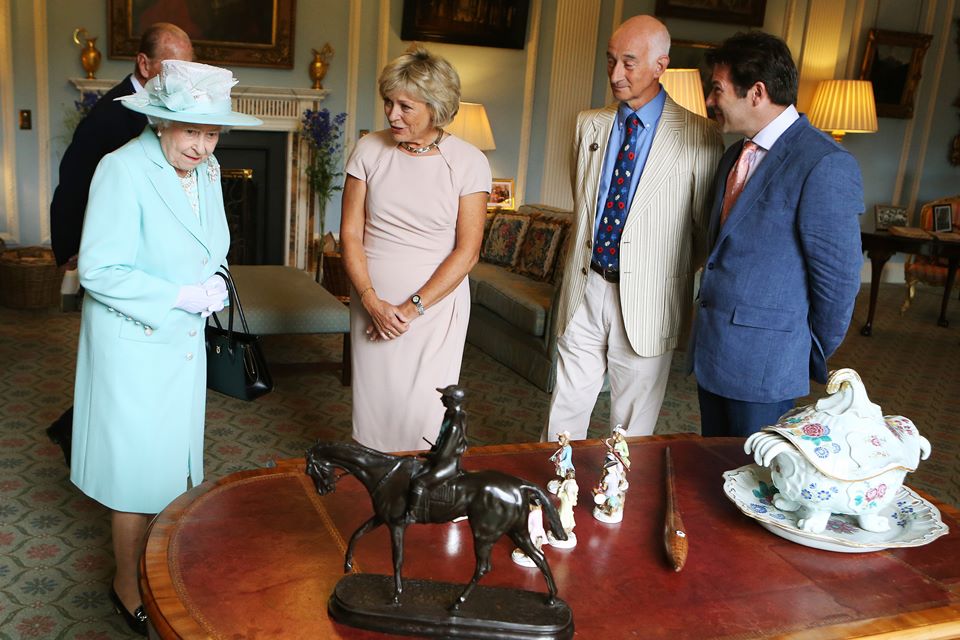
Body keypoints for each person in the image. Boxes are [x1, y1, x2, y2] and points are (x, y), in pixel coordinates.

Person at [71, 60, 261, 636]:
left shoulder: (205, 169)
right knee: (134, 474)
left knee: (172, 466)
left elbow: (216, 241)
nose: (202, 146)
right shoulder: (121, 170)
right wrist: (178, 294)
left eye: (212, 133)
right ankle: (126, 584)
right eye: (191, 132)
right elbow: (97, 270)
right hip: (135, 343)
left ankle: (156, 570)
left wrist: (215, 280)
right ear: (159, 121)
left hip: (181, 343)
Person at [544, 15, 723, 443]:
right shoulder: (589, 124)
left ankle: (614, 501)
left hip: (648, 298)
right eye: (610, 61)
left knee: (630, 425)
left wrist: (653, 268)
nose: (615, 74)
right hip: (585, 288)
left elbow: (700, 233)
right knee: (563, 410)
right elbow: (585, 206)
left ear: (661, 65)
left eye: (629, 62)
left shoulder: (699, 136)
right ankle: (550, 495)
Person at [689, 32, 864, 438]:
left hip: (767, 367)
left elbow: (838, 283)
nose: (710, 101)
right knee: (712, 468)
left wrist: (797, 346)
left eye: (717, 89)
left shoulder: (824, 163)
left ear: (756, 92)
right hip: (713, 354)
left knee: (758, 489)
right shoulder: (734, 154)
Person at [46, 23, 194, 466]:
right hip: (112, 254)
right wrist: (71, 247)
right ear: (144, 64)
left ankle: (88, 435)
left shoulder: (167, 105)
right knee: (115, 359)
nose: (181, 77)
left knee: (132, 365)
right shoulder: (111, 115)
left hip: (146, 256)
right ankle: (83, 439)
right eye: (172, 67)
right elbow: (72, 182)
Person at [340, 45, 491, 453]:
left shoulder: (469, 161)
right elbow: (351, 234)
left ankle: (423, 496)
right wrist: (371, 301)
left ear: (436, 107)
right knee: (375, 413)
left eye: (405, 106)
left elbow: (468, 251)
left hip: (434, 311)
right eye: (388, 102)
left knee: (425, 413)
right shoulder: (368, 149)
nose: (392, 114)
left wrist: (409, 309)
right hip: (372, 303)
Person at [407, 385, 469, 521]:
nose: (441, 398)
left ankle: (412, 514)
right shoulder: (452, 414)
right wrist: (437, 447)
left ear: (452, 400)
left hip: (447, 464)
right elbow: (445, 444)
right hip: (443, 458)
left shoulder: (455, 423)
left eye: (445, 397)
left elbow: (443, 456)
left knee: (419, 482)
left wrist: (427, 455)